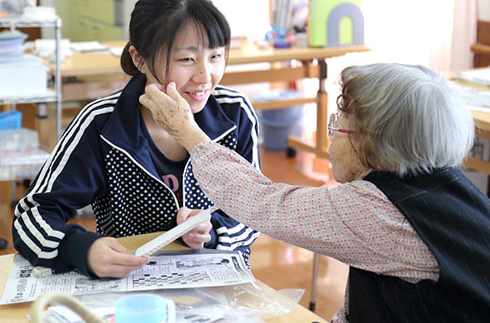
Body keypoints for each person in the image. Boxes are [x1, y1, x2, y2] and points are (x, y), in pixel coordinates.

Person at [139, 63, 490, 322]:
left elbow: (262, 203)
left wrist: (186, 130)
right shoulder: (450, 188)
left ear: (373, 141)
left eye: (339, 123)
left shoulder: (379, 212)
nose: (331, 134)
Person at [12, 0, 260, 279]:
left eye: (216, 57)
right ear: (139, 58)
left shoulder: (235, 113)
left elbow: (256, 213)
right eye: (186, 59)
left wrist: (213, 233)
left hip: (217, 284)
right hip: (129, 288)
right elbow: (31, 216)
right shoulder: (100, 123)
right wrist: (81, 248)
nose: (205, 77)